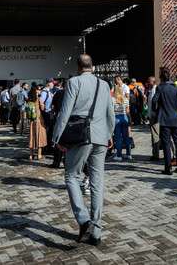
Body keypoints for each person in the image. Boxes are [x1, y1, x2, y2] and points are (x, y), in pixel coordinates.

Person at [52, 54, 114, 246]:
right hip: (101, 136)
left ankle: (83, 219)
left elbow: (65, 111)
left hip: (80, 137)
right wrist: (110, 134)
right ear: (92, 66)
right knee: (97, 182)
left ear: (78, 67)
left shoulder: (74, 82)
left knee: (71, 175)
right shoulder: (104, 85)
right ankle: (96, 231)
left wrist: (56, 137)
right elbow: (109, 112)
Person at [154, 67, 177, 175]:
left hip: (164, 119)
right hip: (175, 118)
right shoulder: (175, 88)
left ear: (161, 76)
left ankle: (168, 168)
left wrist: (157, 109)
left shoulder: (160, 88)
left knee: (166, 143)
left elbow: (154, 101)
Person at [111, 76, 132, 162]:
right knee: (126, 136)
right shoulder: (125, 99)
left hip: (116, 118)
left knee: (118, 138)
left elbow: (111, 110)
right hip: (124, 117)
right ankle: (128, 154)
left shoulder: (113, 100)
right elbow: (127, 110)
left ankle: (119, 155)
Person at [26, 86, 47, 160]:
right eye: (38, 90)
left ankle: (31, 155)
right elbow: (43, 108)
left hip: (32, 120)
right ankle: (39, 155)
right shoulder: (38, 99)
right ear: (36, 91)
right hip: (38, 118)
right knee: (39, 135)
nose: (39, 91)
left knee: (32, 136)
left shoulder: (29, 100)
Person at [146, 77, 161, 161]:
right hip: (152, 116)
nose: (148, 83)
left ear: (153, 82)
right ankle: (155, 153)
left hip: (154, 117)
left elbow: (155, 105)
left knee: (155, 135)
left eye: (149, 81)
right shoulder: (151, 90)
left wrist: (153, 115)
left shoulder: (155, 90)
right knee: (154, 135)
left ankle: (156, 155)